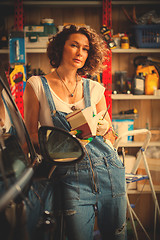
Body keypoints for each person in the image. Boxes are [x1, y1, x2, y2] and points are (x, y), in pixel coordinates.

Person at [23, 24, 127, 240]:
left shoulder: (94, 88)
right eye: (74, 45)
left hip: (109, 170)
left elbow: (110, 136)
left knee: (117, 237)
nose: (80, 52)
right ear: (60, 47)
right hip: (71, 177)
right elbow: (30, 136)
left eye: (86, 48)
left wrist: (105, 129)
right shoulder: (37, 85)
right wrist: (59, 145)